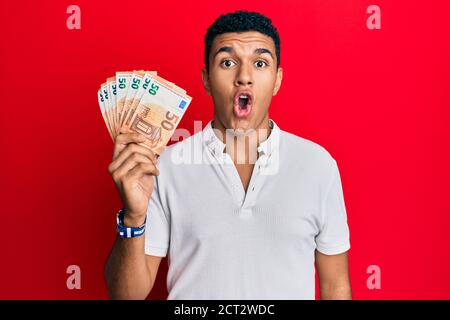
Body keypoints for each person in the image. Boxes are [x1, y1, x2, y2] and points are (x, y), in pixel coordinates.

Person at [105, 10, 351, 300]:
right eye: (227, 62)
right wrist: (133, 217)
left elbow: (336, 285)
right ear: (207, 79)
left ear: (277, 80)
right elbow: (126, 296)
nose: (244, 77)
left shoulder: (318, 166)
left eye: (260, 63)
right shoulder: (165, 167)